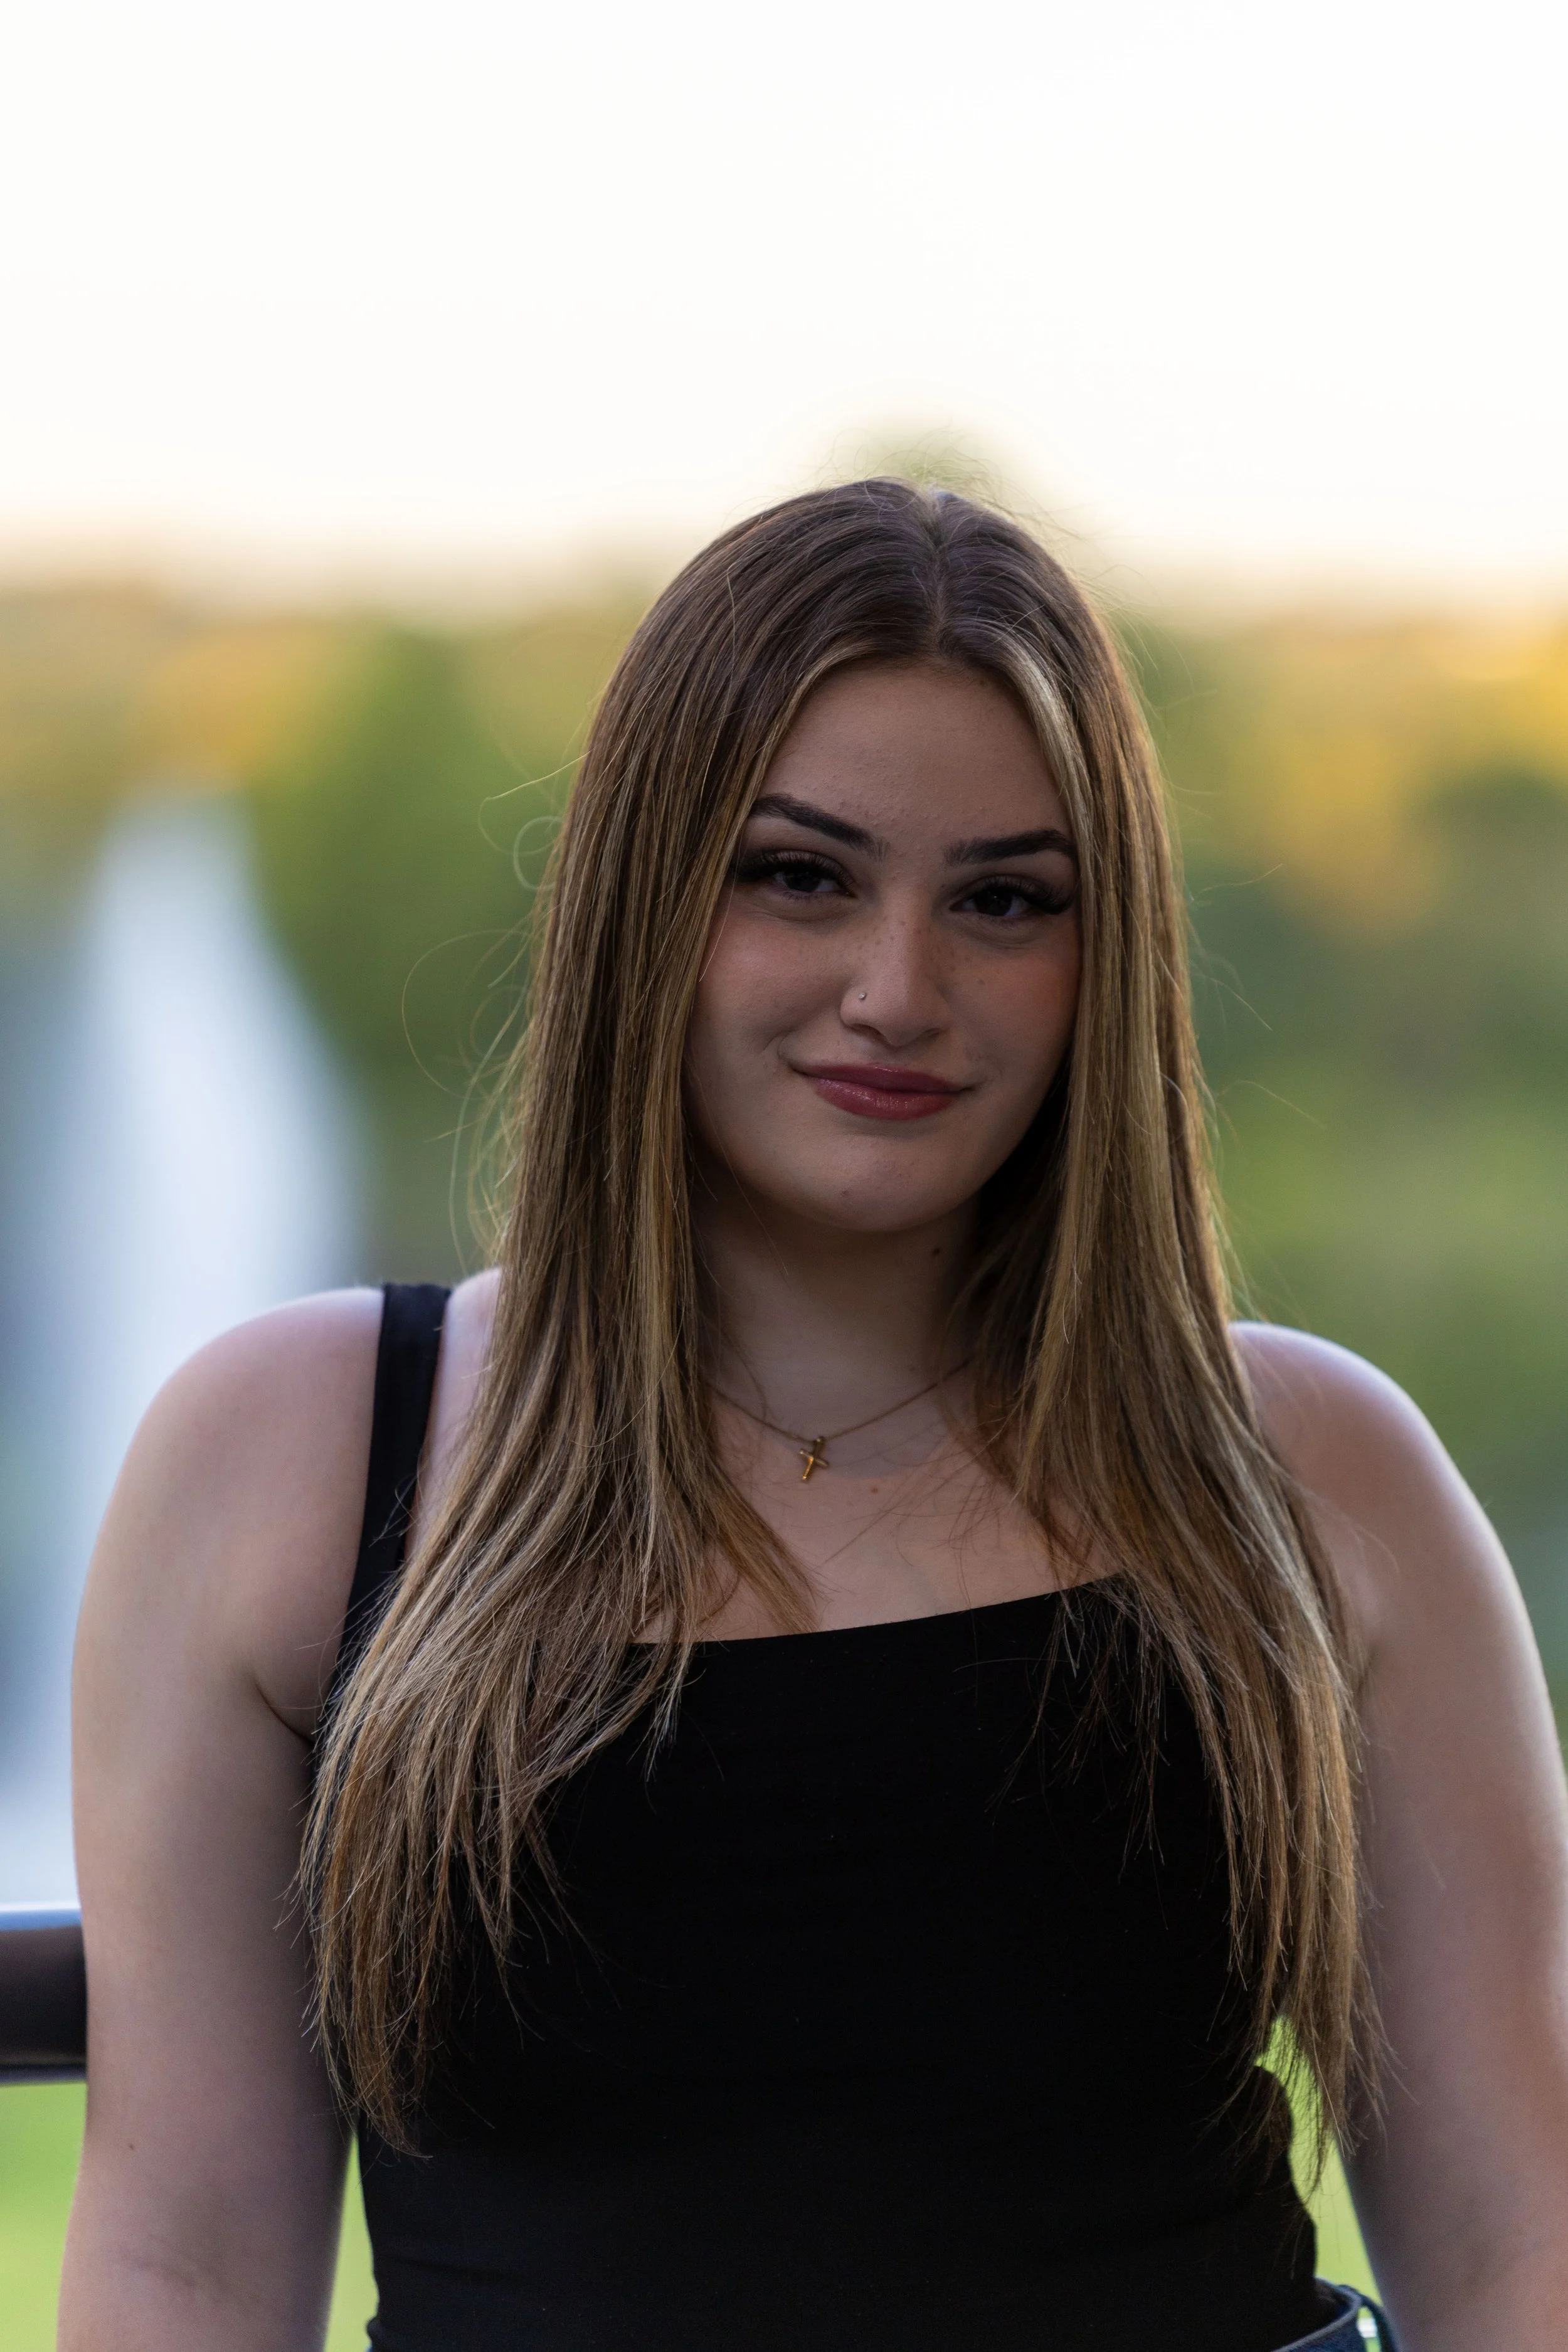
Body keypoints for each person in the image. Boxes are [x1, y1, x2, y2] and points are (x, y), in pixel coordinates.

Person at [60, 482, 1568, 2352]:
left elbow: (1520, 2247)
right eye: (801, 875)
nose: (896, 989)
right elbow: (181, 2264)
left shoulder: (1304, 1474)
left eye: (1005, 899)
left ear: (1109, 963)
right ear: (644, 898)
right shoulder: (286, 1458)